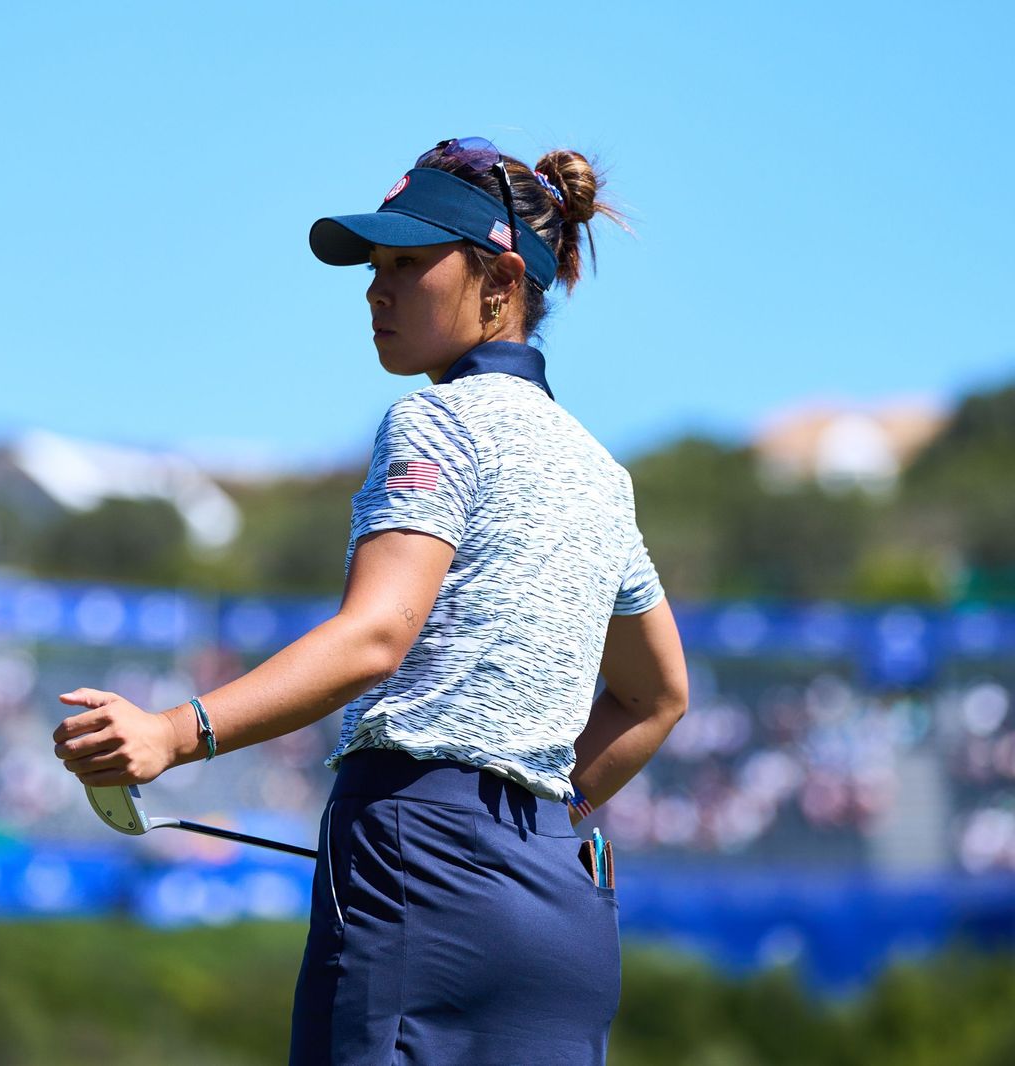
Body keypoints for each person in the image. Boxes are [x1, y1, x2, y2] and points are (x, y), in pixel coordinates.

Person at [51, 136, 689, 1065]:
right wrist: (542, 823)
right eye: (374, 267)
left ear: (501, 279)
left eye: (407, 263)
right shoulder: (603, 474)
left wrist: (172, 734)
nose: (375, 291)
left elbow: (377, 637)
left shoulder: (432, 420)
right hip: (559, 904)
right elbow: (657, 697)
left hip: (416, 864)